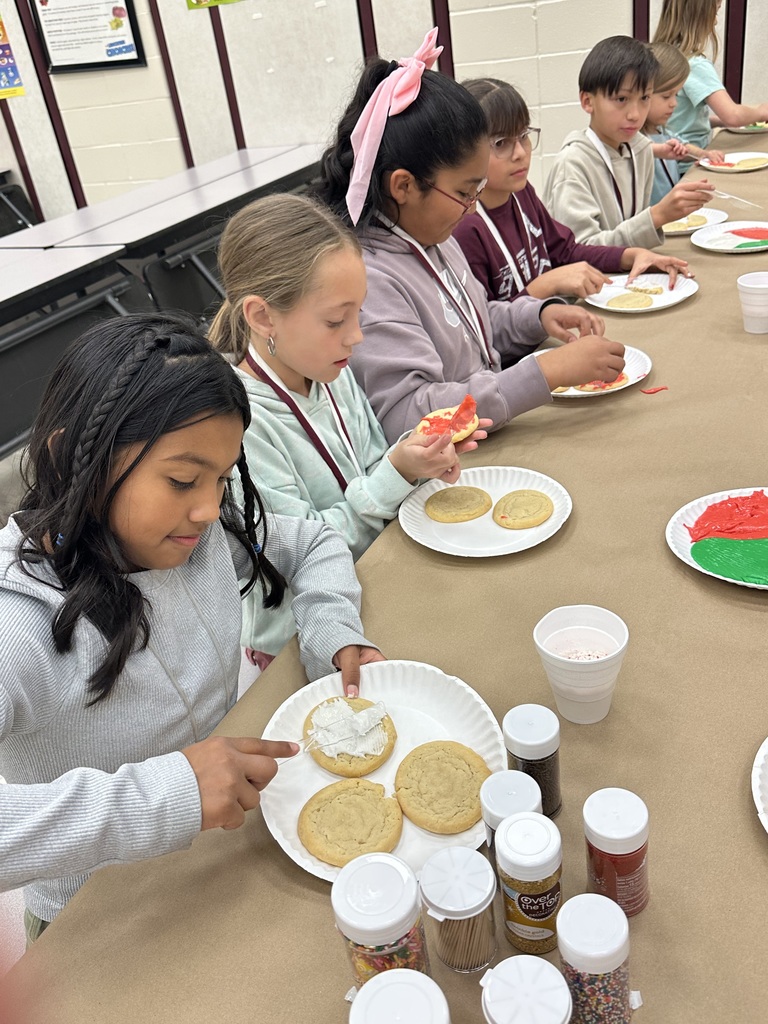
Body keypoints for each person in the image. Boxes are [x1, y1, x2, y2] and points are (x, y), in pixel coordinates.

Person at [0, 313, 381, 939]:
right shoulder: (19, 621)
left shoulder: (197, 533)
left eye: (222, 478)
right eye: (181, 480)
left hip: (225, 846)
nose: (208, 508)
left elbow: (313, 543)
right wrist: (170, 794)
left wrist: (332, 631)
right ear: (71, 457)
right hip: (102, 918)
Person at [209, 192, 487, 661]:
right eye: (337, 320)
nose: (356, 335)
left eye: (359, 313)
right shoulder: (237, 426)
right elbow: (302, 554)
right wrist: (395, 475)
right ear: (262, 317)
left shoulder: (328, 370)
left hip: (380, 577)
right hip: (305, 634)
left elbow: (375, 464)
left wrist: (415, 460)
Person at [316, 28, 625, 444]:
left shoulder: (433, 237)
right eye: (464, 193)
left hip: (486, 433)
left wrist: (535, 317)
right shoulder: (369, 279)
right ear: (404, 186)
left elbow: (470, 325)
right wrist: (545, 371)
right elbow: (407, 413)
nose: (473, 208)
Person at [453, 77, 693, 304]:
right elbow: (487, 324)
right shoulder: (464, 228)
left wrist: (631, 256)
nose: (520, 153)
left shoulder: (520, 193)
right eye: (501, 143)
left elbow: (566, 251)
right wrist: (547, 284)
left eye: (524, 135)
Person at [544, 35, 715, 248]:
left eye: (644, 98)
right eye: (622, 99)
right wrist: (656, 216)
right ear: (588, 101)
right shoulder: (572, 165)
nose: (635, 114)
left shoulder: (640, 150)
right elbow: (579, 251)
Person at [654, 0, 768, 152]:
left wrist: (715, 121)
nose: (715, 21)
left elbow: (680, 121)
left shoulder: (662, 55)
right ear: (699, 15)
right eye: (715, 12)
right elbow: (733, 116)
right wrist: (761, 111)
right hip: (690, 157)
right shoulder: (694, 64)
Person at [644, 42, 725, 202]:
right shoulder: (634, 137)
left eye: (676, 95)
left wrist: (702, 154)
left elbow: (682, 147)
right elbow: (637, 149)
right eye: (666, 96)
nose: (674, 103)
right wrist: (660, 150)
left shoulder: (660, 129)